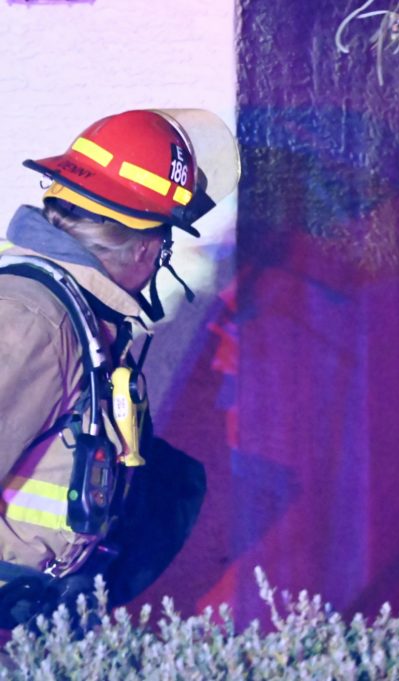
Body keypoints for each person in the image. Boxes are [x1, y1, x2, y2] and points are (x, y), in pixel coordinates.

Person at [0, 109, 238, 623]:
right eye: (166, 241)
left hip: (37, 617)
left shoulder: (81, 317)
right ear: (147, 246)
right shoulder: (33, 322)